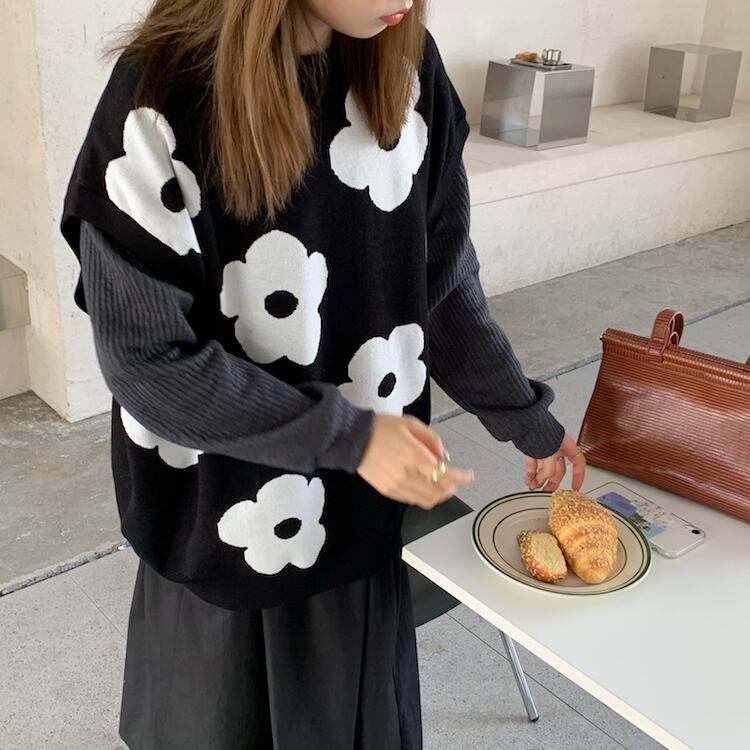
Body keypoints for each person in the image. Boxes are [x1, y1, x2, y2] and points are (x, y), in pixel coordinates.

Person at [60, 1, 586, 747]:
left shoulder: (404, 67)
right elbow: (148, 363)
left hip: (360, 530)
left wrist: (524, 416)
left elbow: (438, 284)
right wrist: (352, 438)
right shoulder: (161, 98)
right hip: (225, 534)